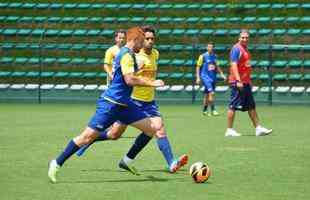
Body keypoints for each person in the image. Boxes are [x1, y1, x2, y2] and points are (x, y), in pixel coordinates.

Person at [48, 26, 165, 183]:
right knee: (86, 137)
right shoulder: (126, 55)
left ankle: (127, 161)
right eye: (141, 42)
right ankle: (57, 162)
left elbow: (127, 76)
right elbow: (129, 80)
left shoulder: (129, 54)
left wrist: (139, 67)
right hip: (110, 104)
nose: (143, 45)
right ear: (134, 40)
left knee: (152, 129)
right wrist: (153, 83)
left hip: (125, 105)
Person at [75, 26, 188, 174]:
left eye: (152, 39)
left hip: (149, 102)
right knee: (114, 134)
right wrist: (139, 71)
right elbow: (127, 77)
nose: (149, 41)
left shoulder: (155, 54)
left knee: (158, 129)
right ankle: (91, 139)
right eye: (146, 39)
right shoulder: (134, 54)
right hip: (132, 101)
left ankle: (171, 163)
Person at [225, 30, 273, 137]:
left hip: (245, 82)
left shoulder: (245, 49)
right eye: (243, 37)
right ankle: (229, 130)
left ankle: (258, 128)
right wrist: (238, 80)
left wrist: (248, 81)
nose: (245, 39)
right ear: (239, 38)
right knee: (233, 106)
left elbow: (245, 67)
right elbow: (234, 65)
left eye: (246, 37)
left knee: (251, 106)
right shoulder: (236, 49)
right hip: (237, 82)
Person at [196, 42, 226, 116]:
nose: (210, 48)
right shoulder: (202, 56)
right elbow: (198, 66)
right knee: (211, 93)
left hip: (213, 77)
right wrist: (198, 77)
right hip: (205, 77)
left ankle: (205, 110)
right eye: (209, 47)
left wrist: (222, 74)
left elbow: (217, 66)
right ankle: (213, 110)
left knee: (207, 95)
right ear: (207, 47)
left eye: (211, 47)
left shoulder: (215, 56)